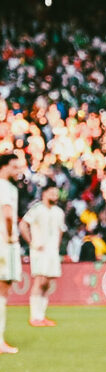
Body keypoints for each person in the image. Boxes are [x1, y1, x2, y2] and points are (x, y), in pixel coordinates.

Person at [20, 183, 66, 328]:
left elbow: (60, 230)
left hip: (52, 251)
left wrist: (57, 246)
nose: (55, 196)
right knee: (40, 281)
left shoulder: (59, 212)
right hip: (39, 250)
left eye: (56, 193)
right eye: (52, 193)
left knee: (47, 283)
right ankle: (34, 316)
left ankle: (41, 315)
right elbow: (23, 225)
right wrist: (31, 242)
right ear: (44, 193)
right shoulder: (37, 209)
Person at [0, 152, 25, 354]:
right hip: (4, 242)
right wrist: (9, 236)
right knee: (3, 288)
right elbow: (8, 214)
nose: (18, 171)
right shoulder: (4, 187)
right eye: (15, 167)